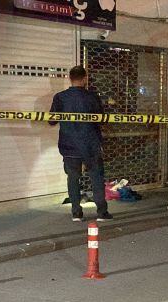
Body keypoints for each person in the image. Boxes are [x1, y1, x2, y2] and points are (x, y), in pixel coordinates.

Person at [49, 66, 113, 222]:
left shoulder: (60, 97)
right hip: (91, 145)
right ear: (85, 78)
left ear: (70, 79)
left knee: (73, 179)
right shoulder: (92, 97)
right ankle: (102, 213)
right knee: (96, 178)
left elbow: (52, 120)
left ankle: (76, 213)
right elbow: (102, 119)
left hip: (69, 145)